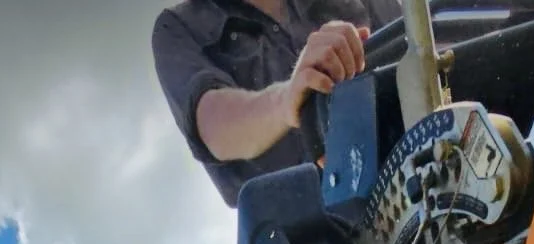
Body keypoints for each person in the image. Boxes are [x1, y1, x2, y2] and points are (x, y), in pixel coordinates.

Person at [152, 0, 403, 207]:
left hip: (416, 169)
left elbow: (427, 41)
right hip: (313, 236)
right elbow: (212, 124)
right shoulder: (178, 27)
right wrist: (284, 101)